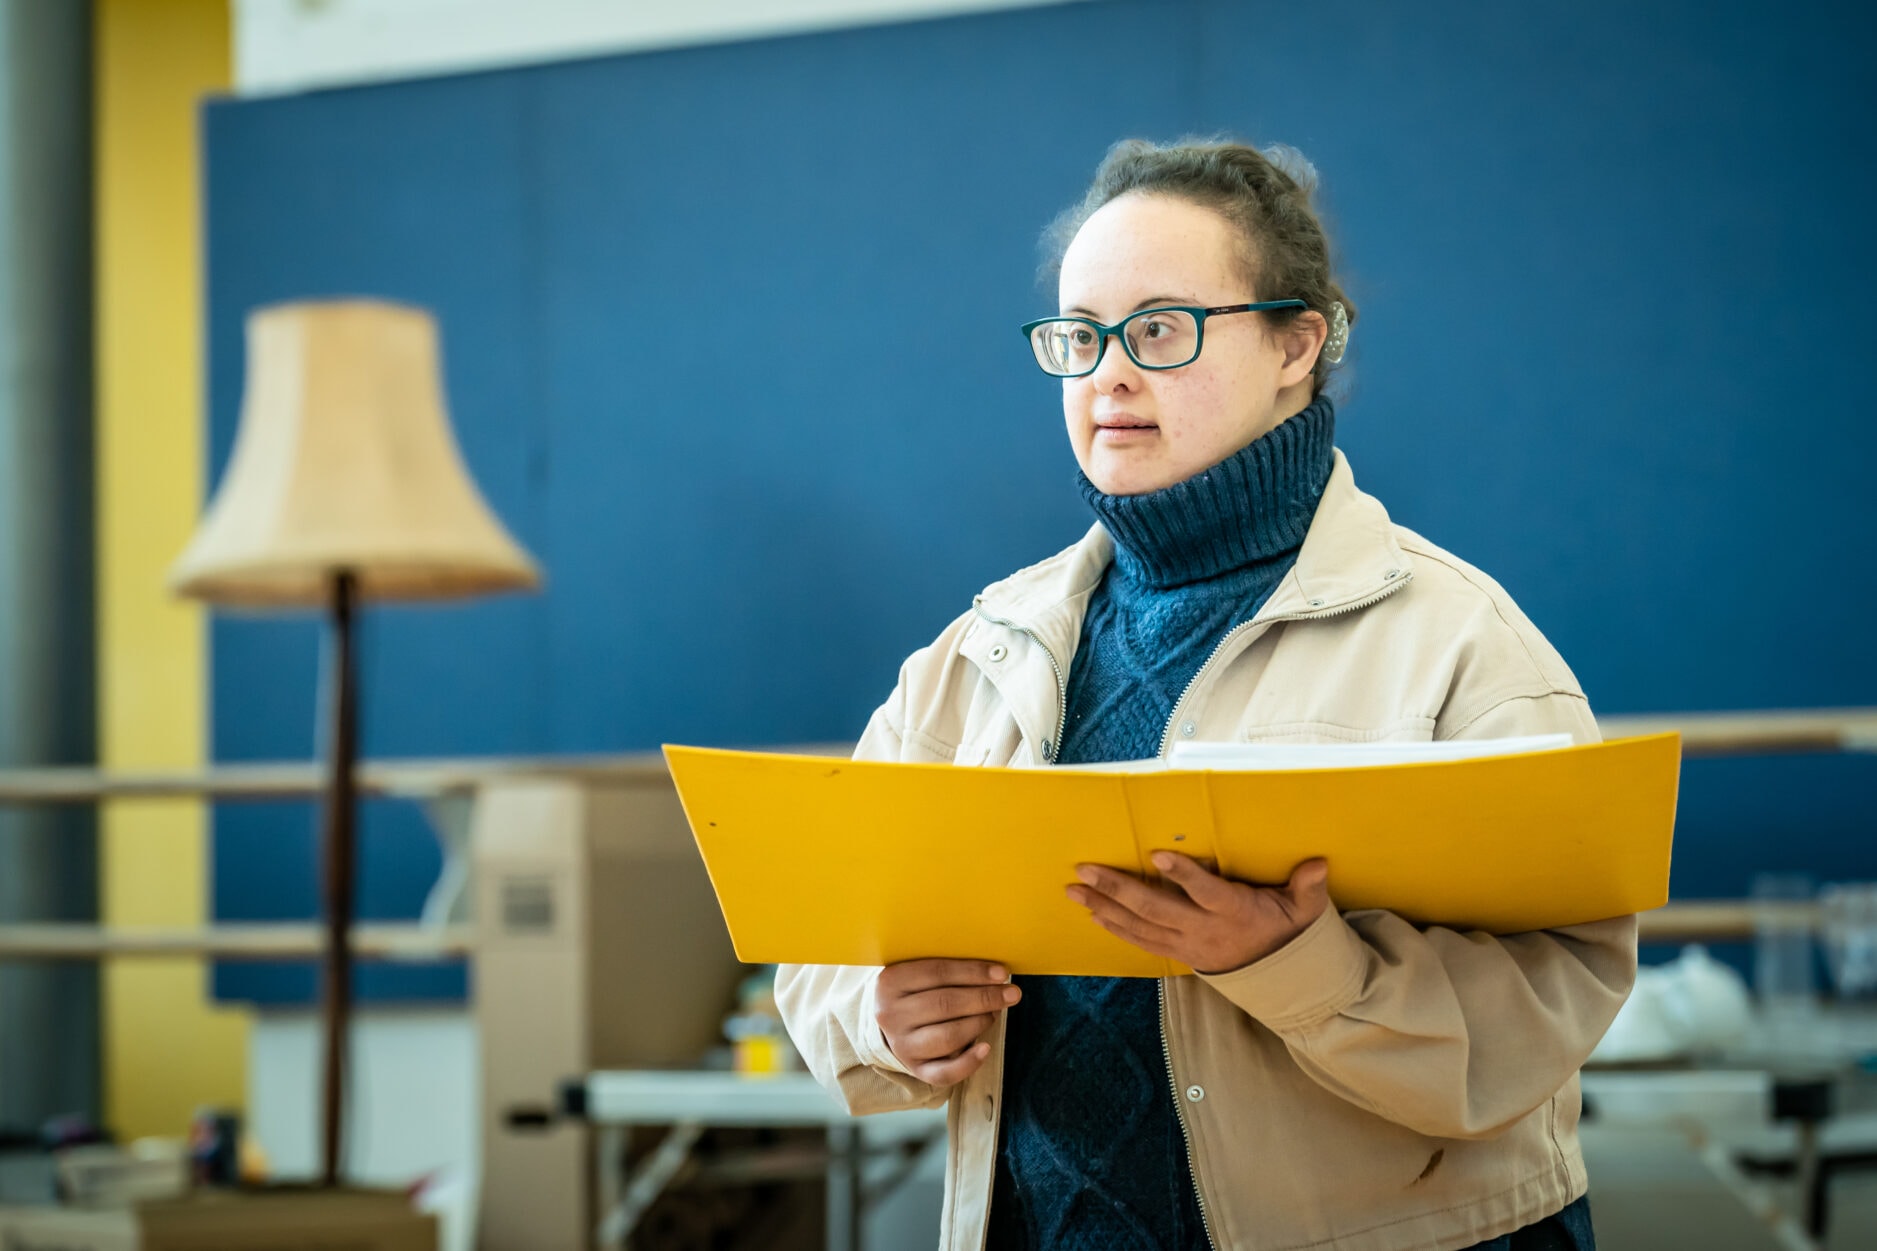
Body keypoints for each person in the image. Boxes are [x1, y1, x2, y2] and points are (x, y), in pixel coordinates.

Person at [775, 138, 1633, 1251]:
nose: (1107, 374)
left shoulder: (1460, 641)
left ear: (1296, 343)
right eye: (1078, 335)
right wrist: (881, 1019)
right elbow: (823, 948)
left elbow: (1558, 996)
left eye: (1159, 330)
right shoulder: (977, 654)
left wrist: (1294, 967)